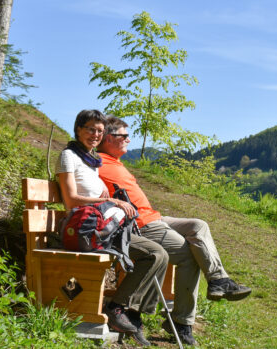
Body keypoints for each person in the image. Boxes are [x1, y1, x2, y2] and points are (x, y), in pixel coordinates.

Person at [97, 115, 251, 347]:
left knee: (199, 225)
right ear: (109, 138)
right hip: (141, 225)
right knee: (190, 255)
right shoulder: (98, 162)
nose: (128, 139)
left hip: (154, 217)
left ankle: (219, 279)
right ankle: (182, 322)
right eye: (124, 135)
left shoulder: (115, 162)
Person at [57, 109, 166, 346]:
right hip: (84, 230)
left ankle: (130, 313)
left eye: (99, 131)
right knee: (155, 254)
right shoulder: (69, 156)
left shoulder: (91, 160)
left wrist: (109, 199)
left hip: (102, 227)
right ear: (78, 129)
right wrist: (112, 202)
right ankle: (119, 309)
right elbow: (71, 201)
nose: (95, 135)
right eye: (90, 129)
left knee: (158, 254)